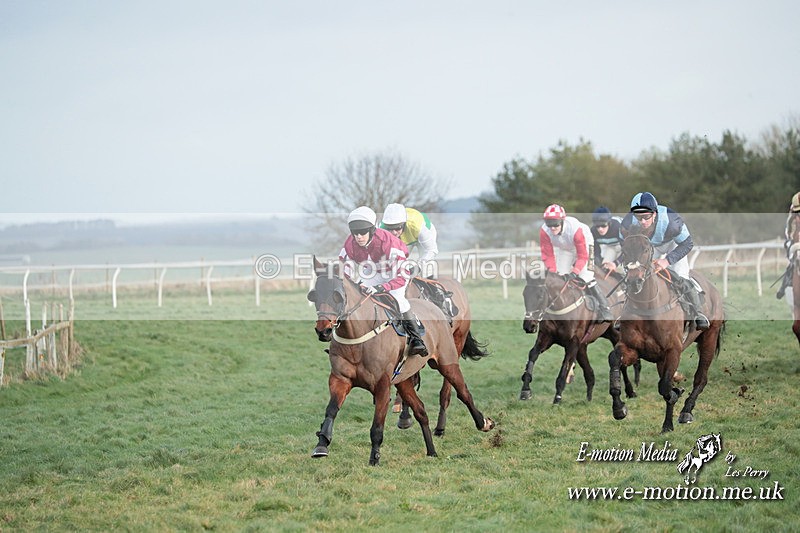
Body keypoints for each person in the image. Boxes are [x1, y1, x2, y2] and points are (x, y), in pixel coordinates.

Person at [612, 192, 710, 330]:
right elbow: (627, 247)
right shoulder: (627, 224)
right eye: (638, 217)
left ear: (654, 213)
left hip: (673, 244)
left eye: (646, 217)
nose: (642, 222)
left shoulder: (672, 222)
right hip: (648, 247)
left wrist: (667, 261)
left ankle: (697, 313)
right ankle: (626, 313)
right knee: (636, 277)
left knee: (680, 276)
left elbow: (687, 244)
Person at [339, 206, 428, 356]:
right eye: (355, 233)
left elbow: (402, 277)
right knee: (355, 296)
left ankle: (417, 339)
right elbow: (343, 267)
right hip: (372, 272)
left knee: (398, 300)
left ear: (372, 230)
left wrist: (382, 287)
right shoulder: (350, 244)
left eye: (362, 232)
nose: (358, 237)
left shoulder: (389, 244)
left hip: (395, 273)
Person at [539, 204, 612, 322]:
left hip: (585, 244)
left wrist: (575, 272)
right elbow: (547, 255)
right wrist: (552, 273)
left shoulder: (575, 228)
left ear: (562, 221)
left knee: (586, 276)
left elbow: (583, 256)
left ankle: (605, 308)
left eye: (555, 224)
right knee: (559, 277)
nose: (552, 228)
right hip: (565, 248)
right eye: (549, 224)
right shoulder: (544, 231)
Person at [380, 203, 439, 269]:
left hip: (422, 233)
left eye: (398, 228)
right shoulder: (381, 229)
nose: (394, 232)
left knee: (426, 268)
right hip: (406, 237)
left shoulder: (417, 227)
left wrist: (418, 267)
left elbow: (432, 250)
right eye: (390, 228)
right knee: (400, 264)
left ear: (404, 224)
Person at [776, 191, 800, 300]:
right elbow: (789, 234)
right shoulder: (792, 217)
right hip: (795, 244)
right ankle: (784, 285)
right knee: (792, 264)